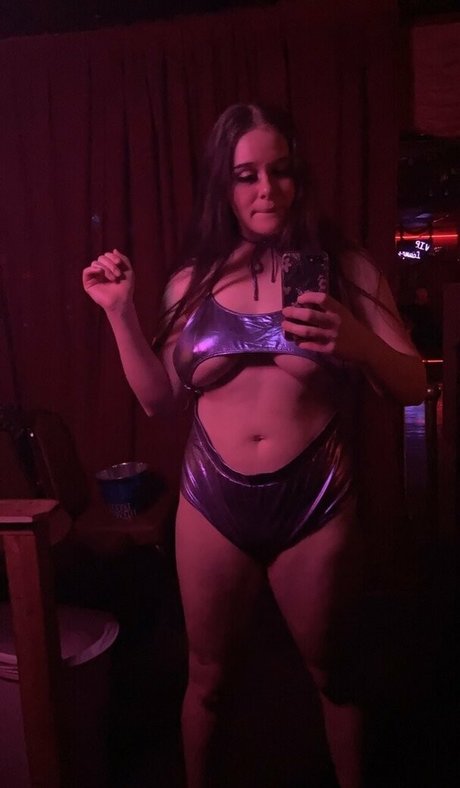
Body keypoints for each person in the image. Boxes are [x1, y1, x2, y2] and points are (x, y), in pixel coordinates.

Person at [82, 103, 426, 788]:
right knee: (207, 678)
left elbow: (414, 383)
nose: (266, 189)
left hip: (315, 497)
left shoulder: (343, 268)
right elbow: (158, 399)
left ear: (299, 177)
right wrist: (119, 313)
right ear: (225, 184)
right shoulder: (194, 281)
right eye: (247, 175)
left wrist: (358, 342)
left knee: (334, 677)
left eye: (280, 171)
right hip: (213, 499)